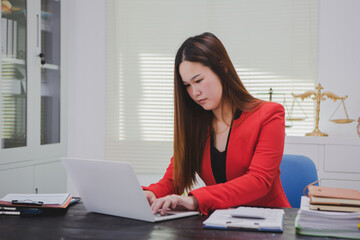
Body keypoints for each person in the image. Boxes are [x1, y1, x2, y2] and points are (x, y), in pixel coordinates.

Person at [143, 32, 291, 215]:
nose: (194, 92)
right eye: (187, 85)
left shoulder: (269, 114)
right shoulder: (196, 124)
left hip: (268, 223)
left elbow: (259, 180)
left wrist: (195, 200)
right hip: (218, 224)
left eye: (198, 80)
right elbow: (174, 179)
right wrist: (151, 193)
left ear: (222, 68)